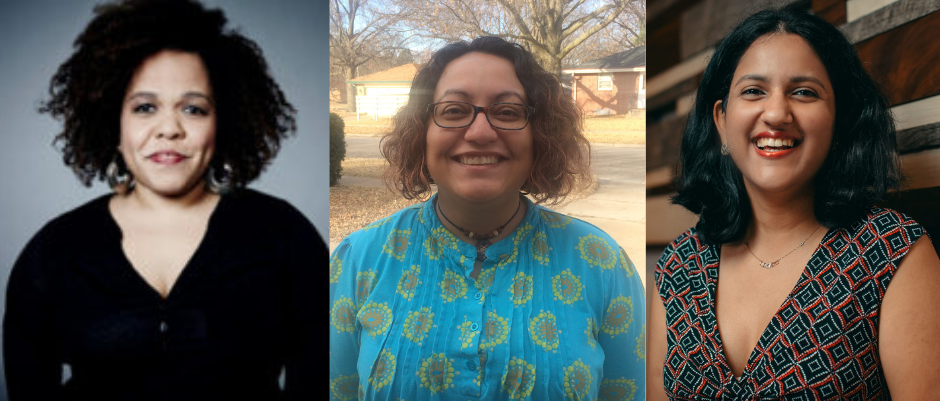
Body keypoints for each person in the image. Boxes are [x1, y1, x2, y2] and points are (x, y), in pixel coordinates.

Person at [3, 0, 323, 399]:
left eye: (193, 108)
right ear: (112, 122)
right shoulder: (54, 252)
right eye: (144, 107)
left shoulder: (285, 237)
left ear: (222, 123)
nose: (169, 128)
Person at [648, 4, 940, 400]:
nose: (776, 113)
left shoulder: (892, 252)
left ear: (839, 120)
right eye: (753, 91)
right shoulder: (679, 265)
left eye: (803, 92)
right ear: (721, 121)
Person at [329, 36, 646, 400]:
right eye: (453, 111)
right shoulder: (359, 260)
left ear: (540, 135)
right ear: (422, 132)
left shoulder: (601, 263)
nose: (480, 132)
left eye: (508, 112)